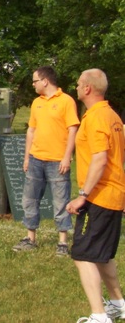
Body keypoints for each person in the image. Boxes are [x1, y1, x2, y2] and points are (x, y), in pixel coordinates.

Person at [66, 69, 125, 323]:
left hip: (99, 197)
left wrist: (83, 196)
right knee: (102, 255)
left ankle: (99, 316)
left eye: (79, 84)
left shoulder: (97, 118)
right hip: (113, 195)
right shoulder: (112, 116)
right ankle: (119, 305)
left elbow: (100, 160)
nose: (77, 87)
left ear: (88, 88)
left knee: (83, 255)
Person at [12, 66, 79, 256]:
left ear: (45, 81)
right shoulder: (36, 103)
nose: (33, 84)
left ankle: (62, 242)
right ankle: (30, 238)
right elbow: (31, 130)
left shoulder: (66, 101)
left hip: (57, 161)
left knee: (61, 201)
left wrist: (66, 157)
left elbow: (72, 130)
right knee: (30, 199)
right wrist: (27, 157)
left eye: (35, 81)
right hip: (36, 159)